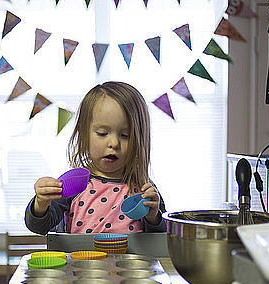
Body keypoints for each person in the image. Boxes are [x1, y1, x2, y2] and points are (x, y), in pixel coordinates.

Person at [25, 81, 166, 235]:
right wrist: (41, 203)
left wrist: (154, 218)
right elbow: (39, 227)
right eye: (102, 133)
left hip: (130, 260)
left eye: (125, 136)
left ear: (140, 140)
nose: (114, 143)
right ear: (84, 135)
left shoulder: (142, 186)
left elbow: (160, 238)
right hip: (82, 260)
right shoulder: (75, 184)